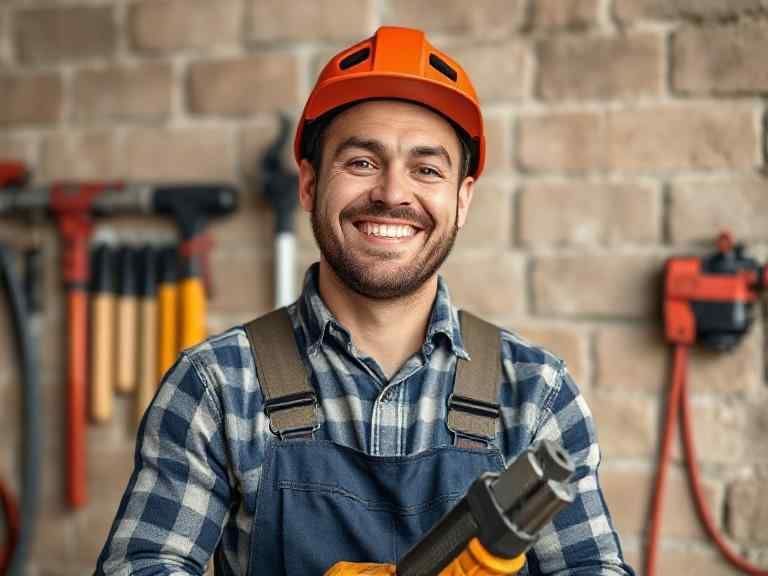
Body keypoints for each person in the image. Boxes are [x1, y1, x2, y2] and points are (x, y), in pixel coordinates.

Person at [95, 26, 635, 576]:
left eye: (426, 170)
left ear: (462, 198)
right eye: (361, 162)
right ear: (308, 184)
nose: (393, 194)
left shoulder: (536, 394)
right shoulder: (217, 385)